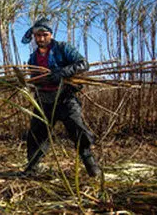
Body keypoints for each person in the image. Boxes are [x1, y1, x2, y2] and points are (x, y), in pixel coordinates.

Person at [21, 17, 101, 177]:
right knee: (36, 134)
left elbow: (83, 64)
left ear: (50, 34)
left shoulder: (63, 48)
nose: (41, 39)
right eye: (38, 35)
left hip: (65, 98)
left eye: (44, 35)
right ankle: (31, 169)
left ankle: (92, 167)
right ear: (34, 37)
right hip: (44, 101)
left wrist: (63, 72)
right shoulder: (33, 58)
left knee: (78, 130)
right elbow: (33, 79)